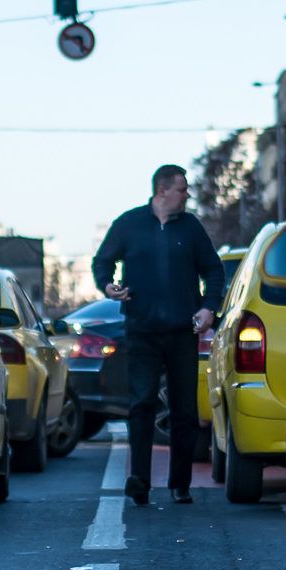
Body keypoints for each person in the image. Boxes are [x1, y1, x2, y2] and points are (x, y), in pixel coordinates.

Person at [91, 163, 225, 505]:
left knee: (183, 410)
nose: (187, 195)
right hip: (142, 330)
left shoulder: (191, 228)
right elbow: (102, 262)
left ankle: (180, 484)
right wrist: (109, 286)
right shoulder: (130, 224)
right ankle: (140, 480)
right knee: (142, 404)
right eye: (182, 189)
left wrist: (209, 307)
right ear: (162, 190)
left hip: (182, 331)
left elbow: (213, 271)